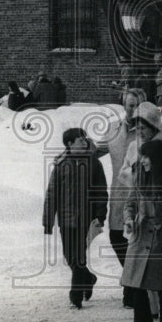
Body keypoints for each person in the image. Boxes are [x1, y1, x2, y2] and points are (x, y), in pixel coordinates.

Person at [122, 139, 162, 322]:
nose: (142, 160)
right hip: (140, 239)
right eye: (141, 156)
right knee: (138, 289)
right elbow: (129, 204)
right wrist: (129, 219)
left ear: (157, 158)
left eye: (146, 156)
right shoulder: (139, 179)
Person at [43, 128, 108, 309]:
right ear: (70, 144)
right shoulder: (61, 164)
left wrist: (100, 215)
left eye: (84, 139)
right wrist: (48, 221)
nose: (84, 141)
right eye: (79, 139)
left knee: (78, 257)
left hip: (85, 218)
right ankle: (89, 278)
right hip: (66, 218)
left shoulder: (94, 163)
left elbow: (101, 191)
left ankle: (75, 296)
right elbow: (52, 193)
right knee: (69, 257)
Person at [94, 87, 147, 307]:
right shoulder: (114, 128)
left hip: (143, 194)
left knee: (138, 240)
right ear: (123, 105)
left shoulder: (151, 130)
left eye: (136, 105)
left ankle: (134, 288)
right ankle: (131, 282)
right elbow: (97, 150)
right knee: (117, 238)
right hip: (118, 192)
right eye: (129, 105)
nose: (132, 109)